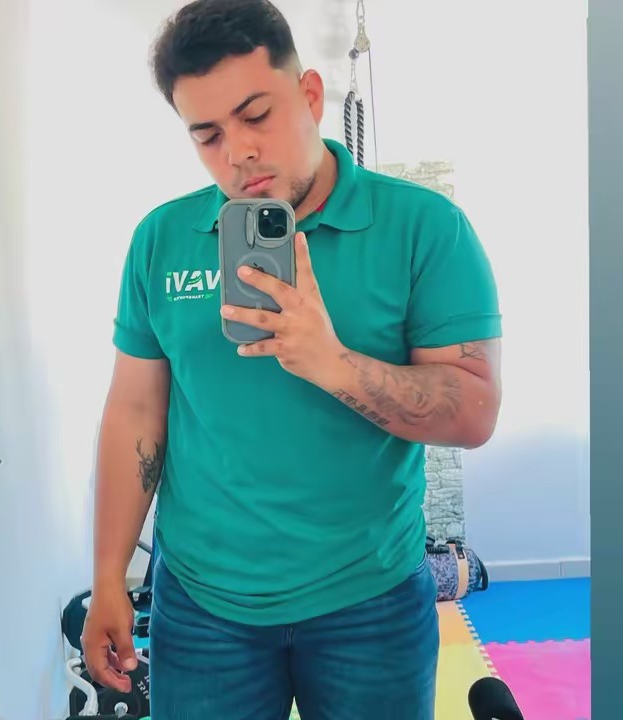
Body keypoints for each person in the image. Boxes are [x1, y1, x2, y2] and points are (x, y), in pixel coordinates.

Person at [81, 0, 503, 718]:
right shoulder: (161, 239)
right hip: (203, 607)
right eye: (208, 135)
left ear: (309, 95)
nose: (238, 152)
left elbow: (473, 411)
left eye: (257, 115)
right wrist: (108, 577)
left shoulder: (425, 228)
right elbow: (135, 412)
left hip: (370, 600)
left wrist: (331, 361)